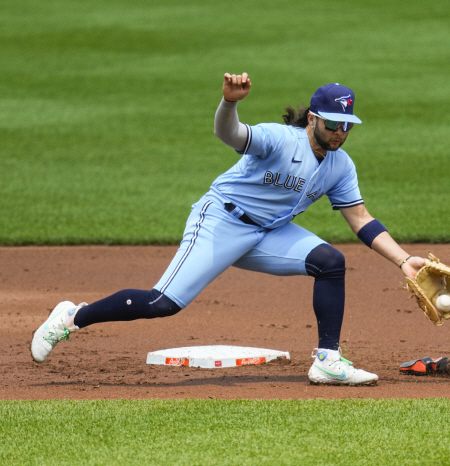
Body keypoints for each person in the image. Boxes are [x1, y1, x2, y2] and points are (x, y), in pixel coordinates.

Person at [31, 72, 426, 386]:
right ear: (313, 119)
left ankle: (327, 360)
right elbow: (229, 134)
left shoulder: (341, 166)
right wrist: (229, 103)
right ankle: (71, 318)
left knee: (330, 261)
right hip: (221, 220)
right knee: (161, 303)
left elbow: (360, 218)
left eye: (348, 125)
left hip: (269, 234)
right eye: (334, 123)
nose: (341, 132)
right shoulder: (277, 139)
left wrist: (403, 260)